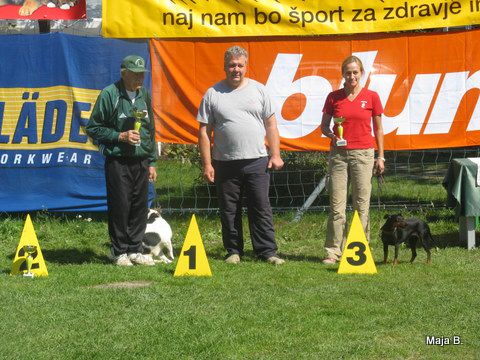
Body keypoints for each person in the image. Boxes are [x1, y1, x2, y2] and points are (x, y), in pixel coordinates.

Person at [197, 45, 285, 265]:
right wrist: (207, 164)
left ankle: (267, 252)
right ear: (225, 67)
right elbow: (204, 132)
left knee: (261, 207)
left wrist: (275, 154)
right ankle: (233, 251)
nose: (236, 69)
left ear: (246, 66)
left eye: (240, 65)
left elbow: (271, 125)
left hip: (257, 160)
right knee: (229, 210)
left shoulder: (259, 90)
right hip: (224, 163)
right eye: (232, 65)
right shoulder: (212, 94)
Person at [86, 55, 158, 266]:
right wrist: (120, 136)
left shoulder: (144, 94)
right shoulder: (110, 94)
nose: (139, 78)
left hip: (141, 160)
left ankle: (135, 249)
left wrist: (152, 161)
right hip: (118, 161)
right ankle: (118, 251)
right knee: (121, 205)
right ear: (123, 73)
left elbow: (150, 129)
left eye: (142, 74)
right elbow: (94, 128)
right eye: (135, 73)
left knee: (139, 205)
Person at [320, 55, 385, 265]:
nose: (352, 76)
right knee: (337, 206)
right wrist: (334, 137)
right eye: (348, 72)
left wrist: (381, 156)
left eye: (355, 72)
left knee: (361, 204)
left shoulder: (372, 97)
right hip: (339, 156)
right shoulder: (333, 97)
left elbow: (379, 129)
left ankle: (360, 249)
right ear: (343, 74)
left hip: (364, 154)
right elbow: (324, 126)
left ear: (361, 73)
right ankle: (333, 252)